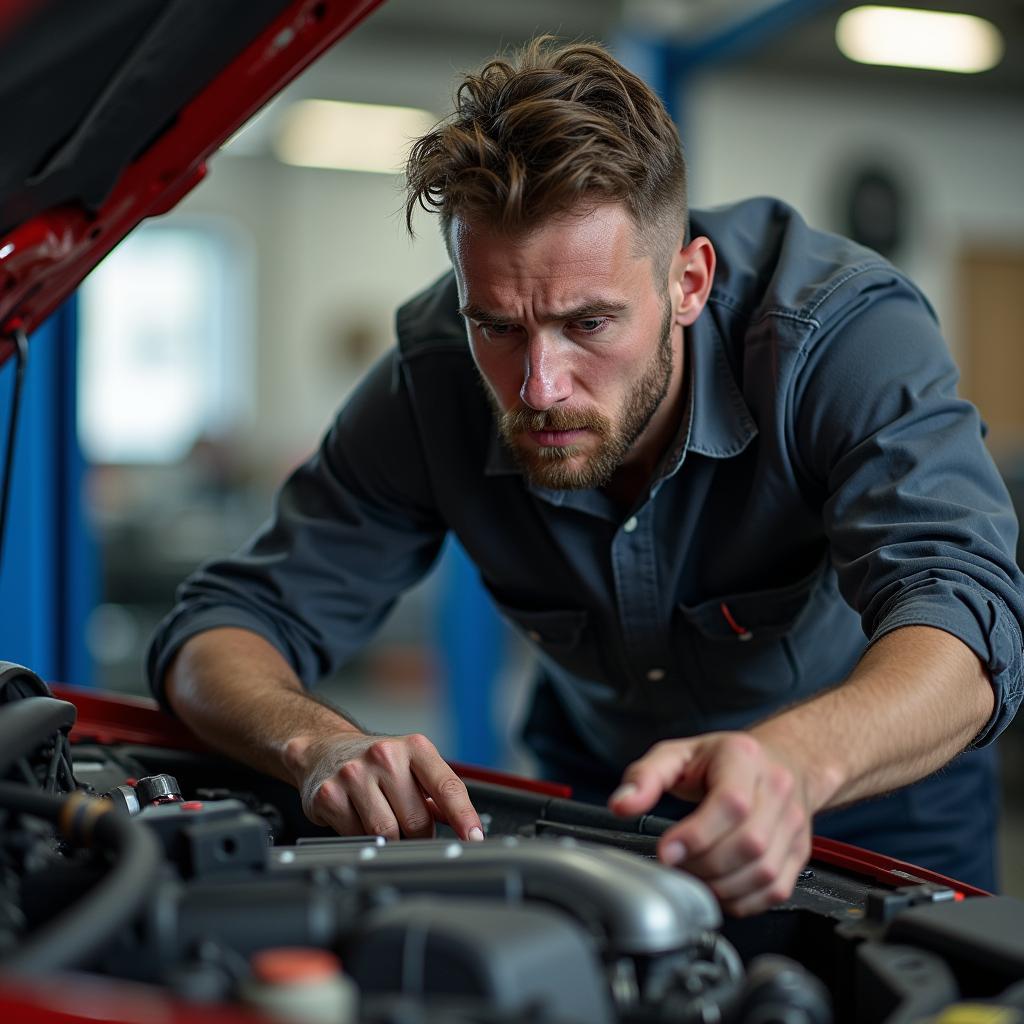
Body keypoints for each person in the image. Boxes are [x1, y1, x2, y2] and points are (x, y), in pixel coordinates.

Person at [148, 37, 1024, 915]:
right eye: (496, 325)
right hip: (605, 797)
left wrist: (792, 766)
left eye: (590, 324)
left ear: (689, 283)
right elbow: (219, 630)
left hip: (873, 803)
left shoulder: (838, 338)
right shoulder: (433, 377)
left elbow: (966, 619)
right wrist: (317, 745)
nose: (538, 387)